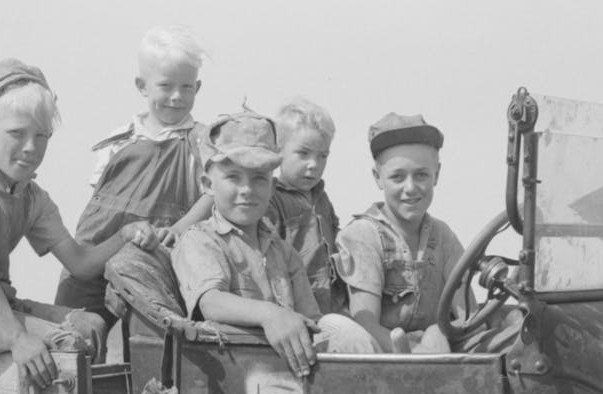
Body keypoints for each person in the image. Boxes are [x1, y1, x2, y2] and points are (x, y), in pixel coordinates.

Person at [0, 59, 157, 387]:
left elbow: (80, 264)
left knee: (91, 324)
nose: (31, 148)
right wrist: (18, 339)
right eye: (16, 134)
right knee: (69, 344)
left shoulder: (31, 197)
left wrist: (125, 234)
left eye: (42, 136)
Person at [172, 111, 380, 378]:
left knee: (342, 330)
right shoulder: (200, 240)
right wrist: (271, 315)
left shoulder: (283, 251)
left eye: (259, 178)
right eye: (233, 177)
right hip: (235, 371)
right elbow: (210, 301)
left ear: (272, 184)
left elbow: (312, 321)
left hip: (287, 369)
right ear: (207, 184)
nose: (247, 189)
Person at [55, 25, 212, 327]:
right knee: (76, 329)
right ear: (143, 86)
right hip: (100, 248)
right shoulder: (118, 141)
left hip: (157, 257)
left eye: (187, 87)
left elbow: (211, 194)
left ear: (198, 87)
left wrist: (178, 229)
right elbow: (96, 208)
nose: (177, 97)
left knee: (149, 336)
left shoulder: (201, 142)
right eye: (166, 86)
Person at [333, 113, 472, 353]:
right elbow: (366, 324)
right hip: (386, 360)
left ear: (436, 174)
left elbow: (469, 313)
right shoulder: (362, 236)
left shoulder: (443, 236)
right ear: (378, 178)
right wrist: (416, 354)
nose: (410, 188)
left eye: (421, 175)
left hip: (439, 354)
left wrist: (437, 331)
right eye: (397, 177)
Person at [265, 98, 345, 314]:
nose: (314, 165)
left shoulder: (322, 198)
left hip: (330, 301)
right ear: (278, 150)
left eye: (323, 156)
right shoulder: (271, 199)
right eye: (303, 153)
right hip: (296, 303)